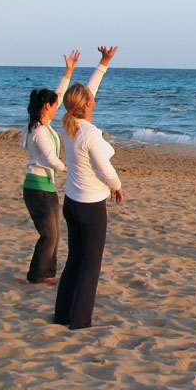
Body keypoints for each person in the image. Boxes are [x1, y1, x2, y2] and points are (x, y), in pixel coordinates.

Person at [54, 46, 122, 330]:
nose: (95, 96)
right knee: (90, 266)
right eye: (92, 97)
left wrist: (103, 64)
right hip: (91, 207)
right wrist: (117, 185)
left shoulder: (70, 124)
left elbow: (86, 92)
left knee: (75, 259)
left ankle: (62, 315)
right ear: (88, 105)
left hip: (71, 203)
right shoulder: (91, 134)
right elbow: (104, 167)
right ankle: (80, 321)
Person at [19, 50, 80, 285]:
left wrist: (69, 71)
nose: (58, 108)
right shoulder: (38, 131)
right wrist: (72, 169)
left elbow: (59, 95)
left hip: (46, 187)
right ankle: (36, 276)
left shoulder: (41, 124)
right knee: (49, 235)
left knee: (55, 235)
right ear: (46, 107)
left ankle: (48, 274)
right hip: (37, 189)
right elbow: (52, 160)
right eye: (54, 106)